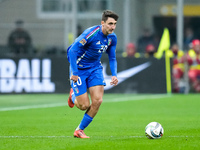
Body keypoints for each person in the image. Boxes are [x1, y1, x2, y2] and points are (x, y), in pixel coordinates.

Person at [67, 10, 119, 138]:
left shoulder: (112, 38)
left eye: (115, 24)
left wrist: (114, 74)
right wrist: (74, 72)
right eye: (110, 23)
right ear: (102, 23)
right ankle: (73, 95)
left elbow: (112, 58)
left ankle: (79, 130)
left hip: (95, 68)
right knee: (84, 105)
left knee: (98, 101)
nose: (113, 27)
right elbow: (72, 50)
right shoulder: (91, 34)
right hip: (79, 69)